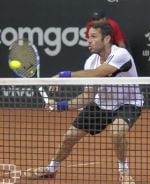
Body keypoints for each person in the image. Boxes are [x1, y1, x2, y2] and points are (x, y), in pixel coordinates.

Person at [24, 21, 143, 184]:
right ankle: (51, 170)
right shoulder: (90, 61)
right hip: (101, 103)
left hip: (128, 102)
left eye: (94, 37)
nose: (89, 40)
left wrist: (63, 75)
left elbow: (99, 72)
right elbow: (88, 96)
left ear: (107, 39)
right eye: (88, 37)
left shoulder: (121, 54)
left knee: (116, 133)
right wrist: (61, 105)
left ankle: (124, 171)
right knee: (69, 137)